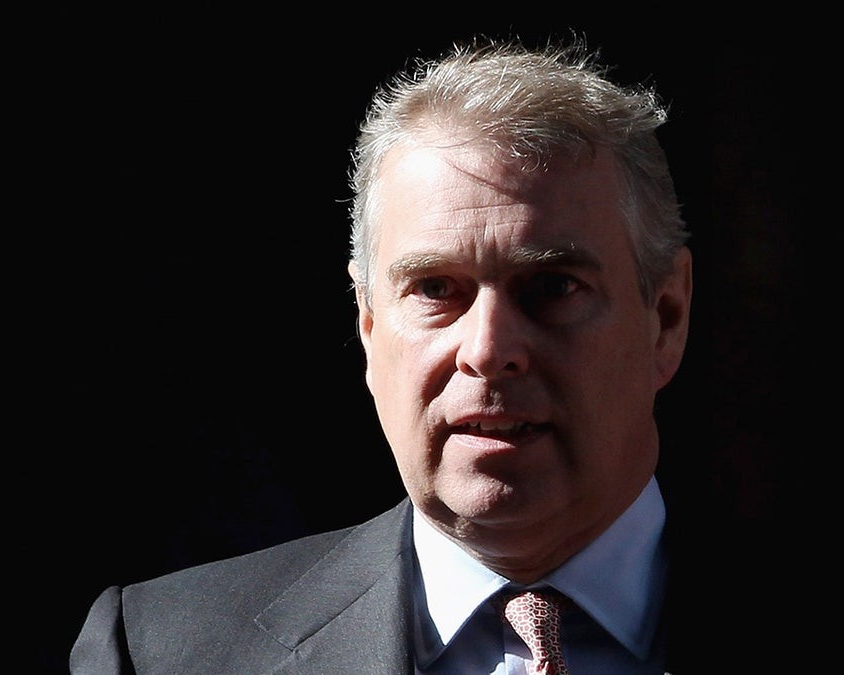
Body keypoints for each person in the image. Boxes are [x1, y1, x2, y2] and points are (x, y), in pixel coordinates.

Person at [71, 35, 706, 673]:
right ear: (369, 326)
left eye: (552, 287)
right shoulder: (157, 652)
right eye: (435, 290)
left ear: (666, 318)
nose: (487, 350)